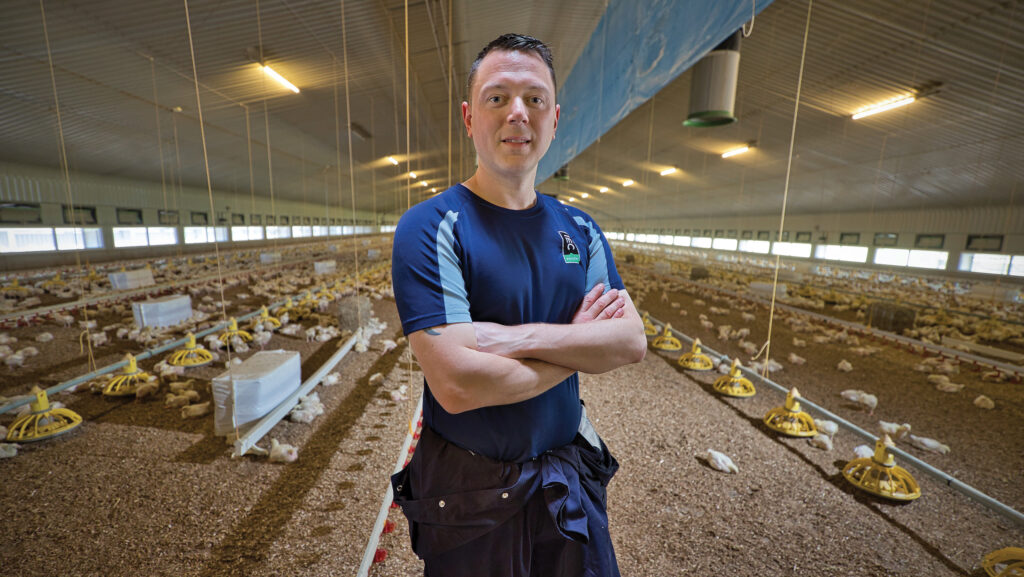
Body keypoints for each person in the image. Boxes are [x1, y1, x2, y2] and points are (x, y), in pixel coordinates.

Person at [390, 33, 647, 577]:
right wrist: (578, 345)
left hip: (568, 475)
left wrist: (508, 338)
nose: (517, 113)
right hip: (470, 495)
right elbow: (458, 386)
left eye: (534, 99)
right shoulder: (433, 226)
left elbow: (629, 341)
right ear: (468, 116)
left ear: (555, 118)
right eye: (497, 97)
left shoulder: (580, 228)